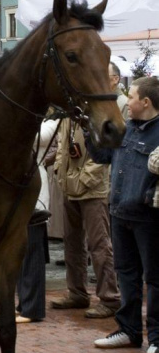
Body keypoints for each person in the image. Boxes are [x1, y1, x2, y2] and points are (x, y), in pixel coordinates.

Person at [90, 77, 159, 353]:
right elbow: (102, 156)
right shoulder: (126, 128)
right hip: (119, 212)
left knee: (155, 278)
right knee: (127, 275)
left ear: (145, 102)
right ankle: (129, 331)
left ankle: (156, 337)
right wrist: (89, 129)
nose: (126, 102)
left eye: (130, 96)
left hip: (149, 217)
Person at [51, 117, 120, 318]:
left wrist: (83, 180)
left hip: (93, 190)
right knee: (71, 242)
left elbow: (103, 157)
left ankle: (109, 298)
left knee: (99, 244)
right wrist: (60, 173)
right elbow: (61, 148)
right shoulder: (67, 117)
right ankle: (77, 292)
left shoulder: (98, 115)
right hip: (69, 187)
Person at [16, 116, 59, 323]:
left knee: (32, 251)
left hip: (36, 192)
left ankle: (32, 308)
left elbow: (25, 134)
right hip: (18, 188)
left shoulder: (50, 124)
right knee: (19, 252)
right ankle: (24, 303)